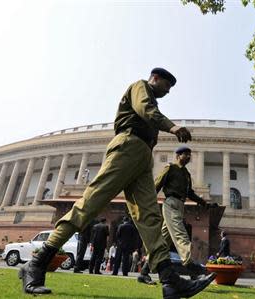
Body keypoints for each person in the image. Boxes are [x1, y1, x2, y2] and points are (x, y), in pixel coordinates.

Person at [18, 67, 216, 298]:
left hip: (143, 158)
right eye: (167, 86)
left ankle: (170, 281)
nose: (168, 92)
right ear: (156, 78)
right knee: (90, 204)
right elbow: (146, 109)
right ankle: (37, 263)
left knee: (150, 217)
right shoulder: (140, 86)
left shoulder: (152, 98)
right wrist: (172, 127)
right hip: (127, 147)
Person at [137, 146, 213, 285]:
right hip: (171, 203)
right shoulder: (170, 168)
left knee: (163, 242)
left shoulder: (186, 174)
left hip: (180, 205)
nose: (189, 157)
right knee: (180, 233)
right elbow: (156, 186)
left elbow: (190, 193)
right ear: (178, 155)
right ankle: (191, 267)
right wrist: (148, 205)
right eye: (186, 154)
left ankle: (144, 273)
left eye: (190, 155)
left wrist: (204, 203)